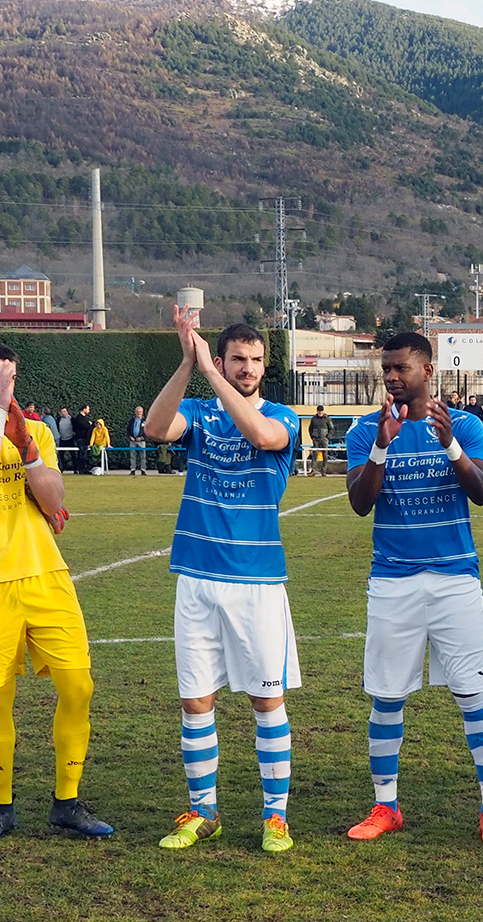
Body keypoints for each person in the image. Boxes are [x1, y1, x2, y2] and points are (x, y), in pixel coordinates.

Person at [0, 342, 111, 843]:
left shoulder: (39, 431)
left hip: (45, 575)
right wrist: (2, 415)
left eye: (8, 378)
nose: (3, 387)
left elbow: (53, 499)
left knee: (79, 686)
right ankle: (1, 808)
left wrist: (26, 444)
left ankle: (67, 803)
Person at [141, 313, 303, 853]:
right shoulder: (200, 413)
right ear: (225, 360)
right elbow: (156, 429)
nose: (248, 368)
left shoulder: (282, 416)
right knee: (196, 702)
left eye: (256, 360)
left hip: (256, 583)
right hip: (196, 579)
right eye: (237, 358)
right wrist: (189, 364)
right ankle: (203, 810)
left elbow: (259, 435)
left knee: (266, 703)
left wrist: (209, 372)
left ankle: (275, 816)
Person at [344, 333, 483, 845]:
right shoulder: (364, 430)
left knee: (473, 694)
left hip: (455, 582)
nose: (392, 377)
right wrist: (380, 446)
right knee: (387, 697)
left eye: (401, 368)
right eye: (386, 369)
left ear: (427, 369)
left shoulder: (465, 425)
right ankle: (385, 805)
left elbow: (481, 493)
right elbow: (359, 503)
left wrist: (451, 447)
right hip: (392, 581)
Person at [306, 405, 331, 476]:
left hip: (324, 439)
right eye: (319, 411)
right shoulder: (314, 419)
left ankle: (323, 470)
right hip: (316, 439)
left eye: (321, 411)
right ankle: (313, 470)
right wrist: (312, 437)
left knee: (325, 454)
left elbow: (331, 429)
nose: (320, 412)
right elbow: (310, 429)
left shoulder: (327, 419)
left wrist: (328, 437)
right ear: (317, 411)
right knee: (314, 454)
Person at [128, 405, 148, 475]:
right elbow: (128, 430)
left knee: (143, 456)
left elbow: (147, 431)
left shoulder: (145, 421)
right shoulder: (132, 420)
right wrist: (130, 437)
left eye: (140, 412)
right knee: (132, 456)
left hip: (141, 441)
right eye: (137, 412)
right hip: (133, 440)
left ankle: (143, 470)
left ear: (142, 412)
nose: (139, 413)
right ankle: (133, 469)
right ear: (135, 412)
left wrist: (141, 438)